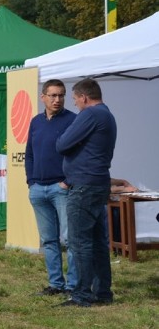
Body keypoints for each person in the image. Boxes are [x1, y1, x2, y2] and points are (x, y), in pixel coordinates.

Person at [56, 78, 117, 308]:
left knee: (80, 241)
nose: (75, 105)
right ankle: (102, 292)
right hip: (98, 182)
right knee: (97, 241)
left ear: (84, 97)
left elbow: (62, 144)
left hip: (84, 185)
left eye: (74, 100)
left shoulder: (90, 115)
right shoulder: (107, 114)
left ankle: (82, 294)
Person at [25, 79, 77, 296]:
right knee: (48, 240)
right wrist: (31, 181)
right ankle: (56, 284)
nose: (58, 100)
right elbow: (29, 153)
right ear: (43, 97)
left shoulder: (73, 120)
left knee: (71, 239)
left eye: (61, 95)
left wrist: (66, 181)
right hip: (38, 189)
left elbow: (78, 155)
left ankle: (74, 285)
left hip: (61, 189)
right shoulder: (36, 122)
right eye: (53, 95)